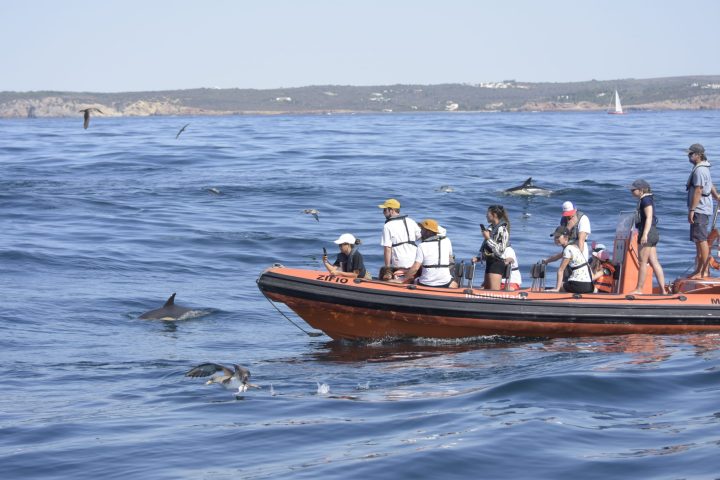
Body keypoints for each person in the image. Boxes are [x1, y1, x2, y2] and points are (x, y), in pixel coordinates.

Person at [686, 143, 720, 278]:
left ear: (698, 155)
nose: (689, 156)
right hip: (702, 208)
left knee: (701, 240)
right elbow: (710, 184)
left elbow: (699, 190)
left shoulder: (700, 170)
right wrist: (717, 196)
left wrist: (692, 210)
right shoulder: (703, 168)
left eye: (691, 154)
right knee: (698, 240)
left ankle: (703, 270)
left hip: (700, 208)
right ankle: (699, 269)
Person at [629, 179, 667, 294]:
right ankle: (663, 290)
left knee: (642, 262)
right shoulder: (646, 199)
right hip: (653, 232)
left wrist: (644, 234)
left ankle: (639, 289)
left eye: (633, 190)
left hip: (648, 233)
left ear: (641, 190)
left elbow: (649, 217)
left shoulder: (645, 200)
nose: (631, 192)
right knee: (654, 261)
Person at [402, 219, 456, 288]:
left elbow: (415, 268)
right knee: (453, 282)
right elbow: (450, 259)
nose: (420, 232)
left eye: (422, 229)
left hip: (426, 283)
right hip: (445, 282)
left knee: (412, 279)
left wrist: (404, 279)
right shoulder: (447, 241)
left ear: (428, 232)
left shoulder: (422, 246)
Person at [471, 205, 510, 290]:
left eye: (488, 213)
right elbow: (488, 248)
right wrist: (479, 257)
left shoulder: (502, 230)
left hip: (497, 263)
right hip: (489, 262)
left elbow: (500, 251)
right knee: (486, 289)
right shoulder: (491, 229)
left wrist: (488, 238)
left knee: (493, 292)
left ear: (494, 215)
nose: (486, 215)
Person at [378, 198, 422, 271]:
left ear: (391, 210)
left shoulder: (388, 226)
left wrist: (387, 268)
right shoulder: (410, 221)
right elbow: (420, 237)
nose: (383, 212)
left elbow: (387, 248)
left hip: (399, 260)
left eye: (385, 210)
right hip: (415, 258)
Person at [549, 226, 594, 294]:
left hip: (579, 285)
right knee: (565, 283)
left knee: (561, 285)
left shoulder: (568, 250)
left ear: (566, 237)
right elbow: (558, 256)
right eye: (555, 237)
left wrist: (557, 289)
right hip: (589, 286)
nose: (555, 239)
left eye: (558, 237)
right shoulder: (574, 247)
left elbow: (561, 270)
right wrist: (546, 261)